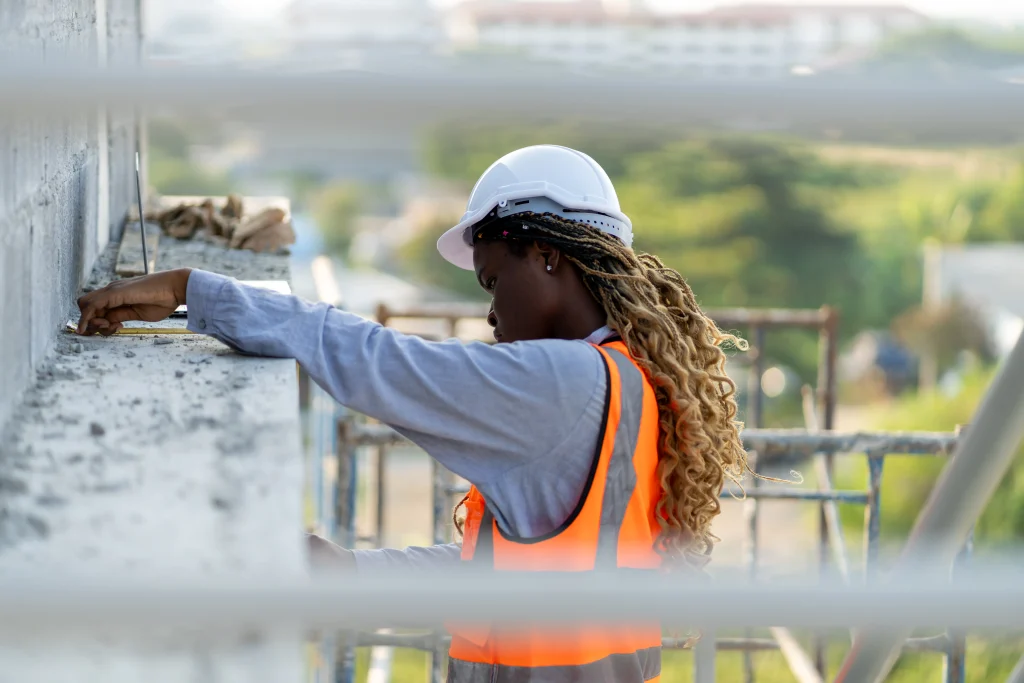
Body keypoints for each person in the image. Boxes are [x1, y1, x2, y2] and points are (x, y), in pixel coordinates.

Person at [77, 145, 749, 683]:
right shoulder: (632, 385)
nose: (490, 313)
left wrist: (193, 290)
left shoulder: (566, 386)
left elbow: (379, 362)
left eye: (492, 281)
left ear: (546, 255)